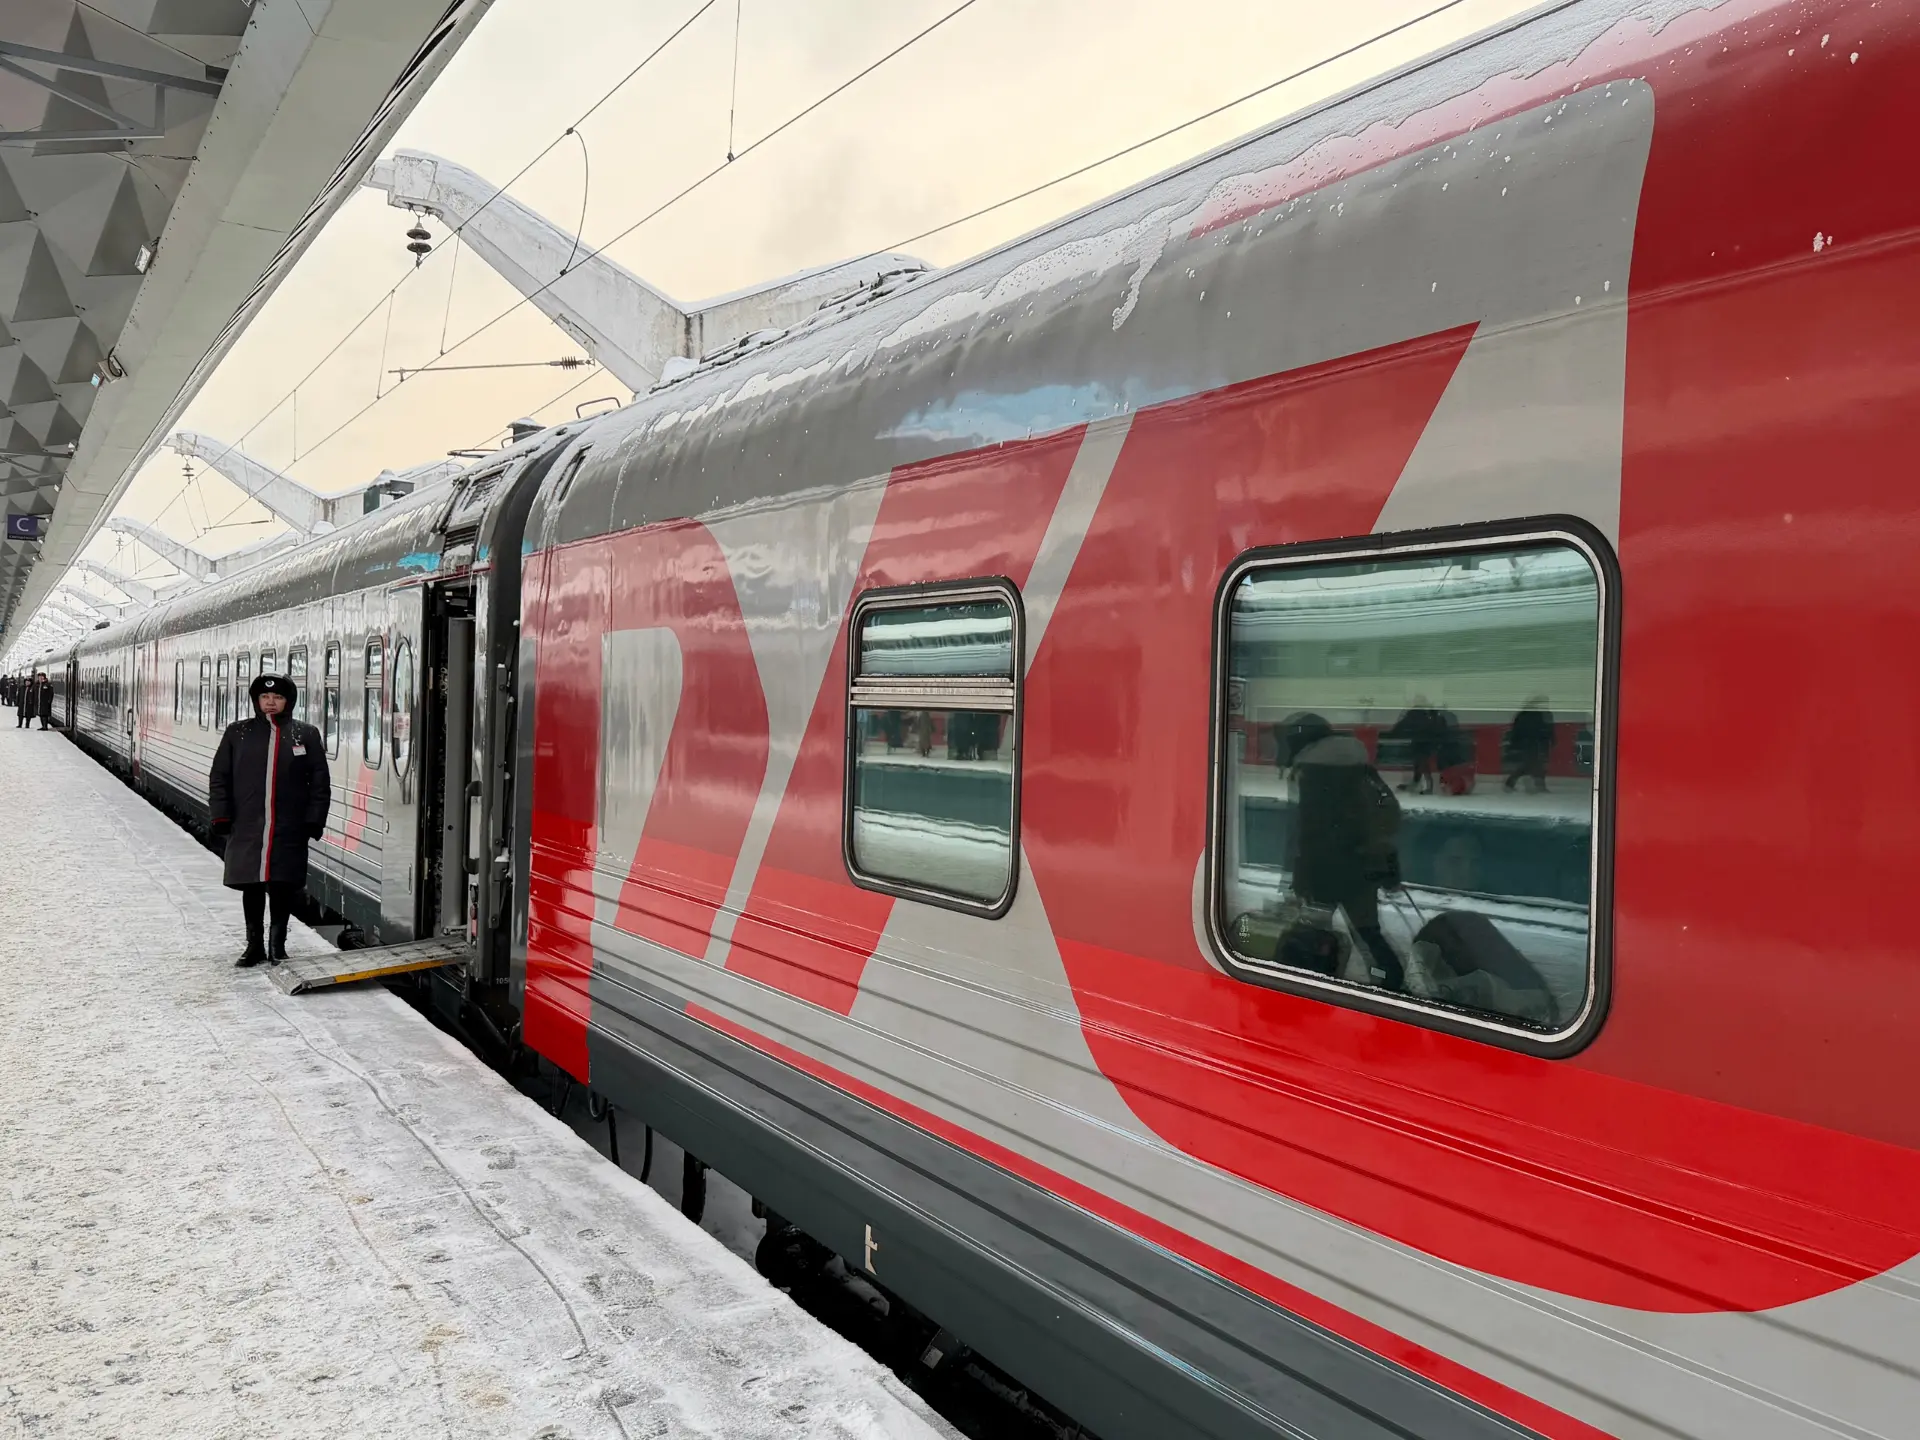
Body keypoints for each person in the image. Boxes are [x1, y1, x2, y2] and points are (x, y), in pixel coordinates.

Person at [209, 673, 331, 967]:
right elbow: (220, 777)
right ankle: (254, 945)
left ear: (289, 701)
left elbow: (320, 782)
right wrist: (221, 815)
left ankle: (278, 946)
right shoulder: (238, 733)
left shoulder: (306, 734)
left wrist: (314, 820)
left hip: (289, 827)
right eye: (264, 697)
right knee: (251, 885)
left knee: (281, 885)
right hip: (247, 825)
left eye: (277, 697)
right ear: (256, 700)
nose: (271, 702)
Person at [1278, 712, 1404, 988]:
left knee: (1311, 934)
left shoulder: (1307, 772)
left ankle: (1309, 984)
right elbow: (1390, 815)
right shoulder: (1360, 766)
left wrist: (1296, 877)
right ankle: (1391, 983)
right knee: (1368, 934)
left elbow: (1302, 831)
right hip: (1362, 868)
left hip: (1322, 871)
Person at [1383, 700, 1445, 794]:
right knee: (1421, 763)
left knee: (1421, 763)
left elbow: (1401, 726)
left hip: (1422, 743)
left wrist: (1391, 733)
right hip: (1427, 743)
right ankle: (1422, 783)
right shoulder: (1430, 716)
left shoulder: (1416, 714)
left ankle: (1423, 784)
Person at [1503, 697, 1555, 793]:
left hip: (1529, 743)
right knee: (1535, 765)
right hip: (1534, 744)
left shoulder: (1523, 714)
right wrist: (1551, 740)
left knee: (1529, 765)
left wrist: (1515, 743)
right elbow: (1548, 729)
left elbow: (1516, 730)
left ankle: (1510, 784)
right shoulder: (1543, 714)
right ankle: (1539, 785)